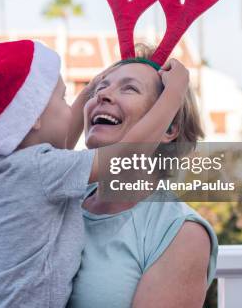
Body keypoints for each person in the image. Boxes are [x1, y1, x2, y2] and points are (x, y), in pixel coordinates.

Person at [0, 39, 188, 308]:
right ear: (33, 117)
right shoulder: (41, 170)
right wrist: (174, 94)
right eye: (62, 98)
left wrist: (94, 89)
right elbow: (126, 154)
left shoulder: (6, 167)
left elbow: (62, 142)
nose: (74, 108)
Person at [68, 44, 217, 308]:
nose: (103, 95)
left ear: (168, 128)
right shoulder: (61, 200)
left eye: (129, 88)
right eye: (100, 87)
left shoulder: (181, 233)